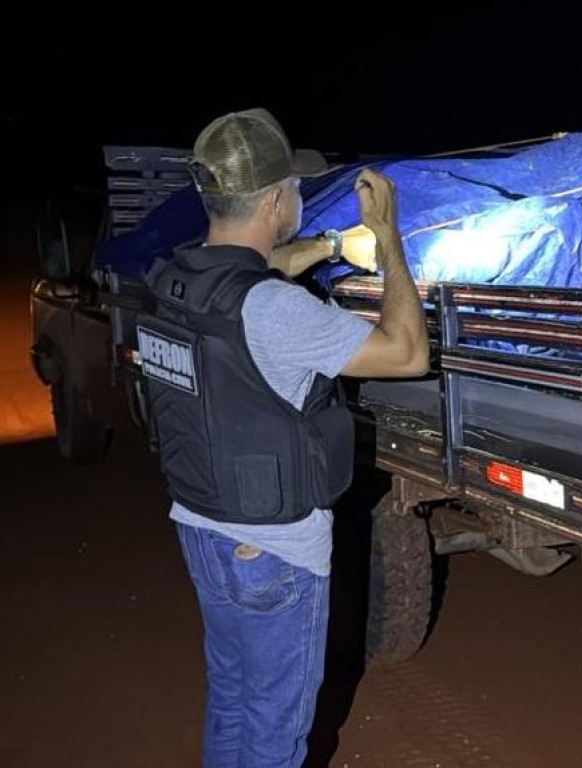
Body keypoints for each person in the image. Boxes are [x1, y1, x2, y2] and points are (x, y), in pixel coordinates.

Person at [136, 107, 429, 767]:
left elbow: (257, 274)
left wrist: (333, 246)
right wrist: (388, 240)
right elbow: (407, 353)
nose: (298, 196)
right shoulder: (276, 311)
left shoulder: (174, 278)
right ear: (274, 200)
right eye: (295, 188)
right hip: (272, 551)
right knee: (276, 732)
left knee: (233, 700)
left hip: (201, 526)